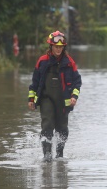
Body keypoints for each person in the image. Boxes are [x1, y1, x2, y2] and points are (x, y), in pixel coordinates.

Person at [28, 30, 82, 162]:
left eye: (61, 47)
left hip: (64, 102)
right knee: (47, 125)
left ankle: (59, 155)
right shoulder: (42, 61)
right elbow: (35, 82)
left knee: (62, 128)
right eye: (56, 47)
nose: (58, 49)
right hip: (46, 98)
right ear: (51, 46)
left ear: (64, 47)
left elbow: (77, 82)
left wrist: (74, 97)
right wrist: (31, 99)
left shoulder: (69, 63)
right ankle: (47, 155)